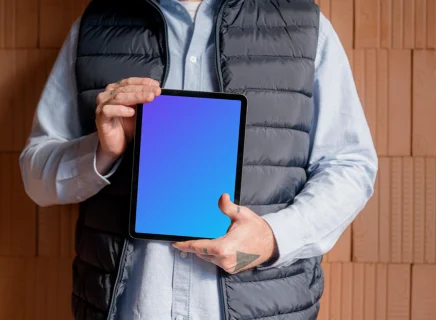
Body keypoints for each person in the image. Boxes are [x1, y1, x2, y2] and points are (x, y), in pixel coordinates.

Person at [19, 0, 378, 319]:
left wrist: (274, 237)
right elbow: (36, 174)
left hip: (264, 306)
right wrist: (103, 150)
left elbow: (349, 165)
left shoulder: (302, 23)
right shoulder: (95, 26)